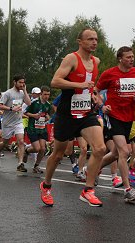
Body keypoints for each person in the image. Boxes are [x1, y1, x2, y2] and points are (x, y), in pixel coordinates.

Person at [39, 28, 106, 207]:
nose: (94, 42)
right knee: (58, 154)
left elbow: (91, 85)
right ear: (80, 41)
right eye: (90, 39)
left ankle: (88, 190)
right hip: (67, 115)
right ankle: (46, 185)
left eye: (96, 39)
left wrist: (94, 95)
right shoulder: (71, 59)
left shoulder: (96, 61)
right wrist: (80, 84)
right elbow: (55, 81)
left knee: (100, 148)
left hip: (85, 113)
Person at [95, 46, 135, 201]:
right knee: (124, 152)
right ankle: (128, 190)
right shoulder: (109, 74)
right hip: (114, 116)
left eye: (132, 57)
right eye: (128, 57)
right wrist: (102, 106)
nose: (131, 59)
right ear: (120, 59)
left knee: (116, 153)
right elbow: (95, 91)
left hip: (129, 117)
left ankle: (93, 170)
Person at [0, 75, 32, 171]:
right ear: (14, 82)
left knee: (21, 141)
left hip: (18, 122)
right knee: (5, 143)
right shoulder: (8, 93)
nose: (22, 84)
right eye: (20, 82)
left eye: (23, 82)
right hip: (7, 123)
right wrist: (11, 108)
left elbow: (28, 103)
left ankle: (20, 163)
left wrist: (25, 91)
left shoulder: (22, 93)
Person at [23, 85, 52, 173]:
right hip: (33, 128)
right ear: (41, 94)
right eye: (45, 94)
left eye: (48, 94)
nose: (47, 96)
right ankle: (27, 150)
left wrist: (47, 117)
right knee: (37, 148)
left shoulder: (48, 105)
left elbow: (47, 114)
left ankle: (36, 166)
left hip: (42, 128)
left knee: (43, 149)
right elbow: (25, 112)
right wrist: (34, 115)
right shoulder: (34, 102)